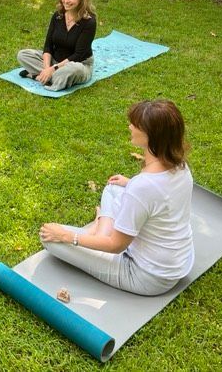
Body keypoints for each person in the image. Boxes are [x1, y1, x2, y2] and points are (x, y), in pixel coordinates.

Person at [39, 100, 194, 296]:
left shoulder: (143, 187)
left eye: (135, 124)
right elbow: (161, 197)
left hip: (147, 276)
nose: (130, 126)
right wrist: (129, 184)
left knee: (49, 238)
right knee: (114, 188)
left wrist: (67, 237)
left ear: (150, 135)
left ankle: (97, 229)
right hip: (178, 261)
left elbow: (116, 246)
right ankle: (100, 231)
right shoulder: (181, 166)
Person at [17, 0, 96, 91]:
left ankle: (38, 76)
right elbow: (48, 46)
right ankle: (50, 78)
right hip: (55, 60)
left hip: (78, 64)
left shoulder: (89, 22)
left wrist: (53, 69)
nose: (66, 0)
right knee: (23, 55)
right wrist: (46, 68)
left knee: (73, 70)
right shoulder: (58, 16)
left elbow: (78, 55)